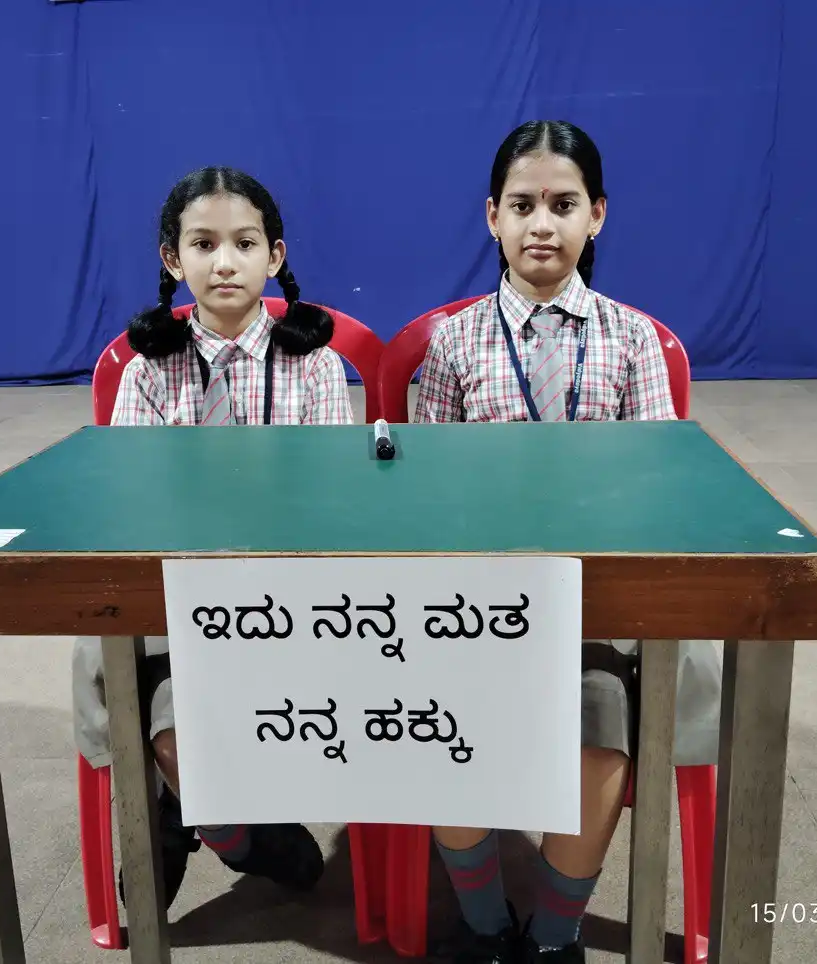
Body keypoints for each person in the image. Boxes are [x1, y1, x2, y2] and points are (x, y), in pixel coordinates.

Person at [414, 120, 683, 963]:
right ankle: (486, 926)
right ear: (491, 216)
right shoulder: (451, 344)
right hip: (473, 605)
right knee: (436, 719)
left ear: (596, 216)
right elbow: (423, 491)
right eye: (522, 205)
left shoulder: (633, 339)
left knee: (603, 720)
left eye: (563, 205)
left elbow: (662, 492)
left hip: (592, 605)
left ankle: (554, 934)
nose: (542, 225)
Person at [73, 166, 353, 914]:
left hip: (288, 595)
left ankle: (177, 811)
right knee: (157, 706)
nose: (224, 261)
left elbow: (327, 506)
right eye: (203, 244)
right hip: (177, 593)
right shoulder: (147, 374)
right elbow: (136, 506)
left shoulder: (318, 368)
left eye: (244, 242)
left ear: (275, 254)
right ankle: (240, 836)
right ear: (174, 259)